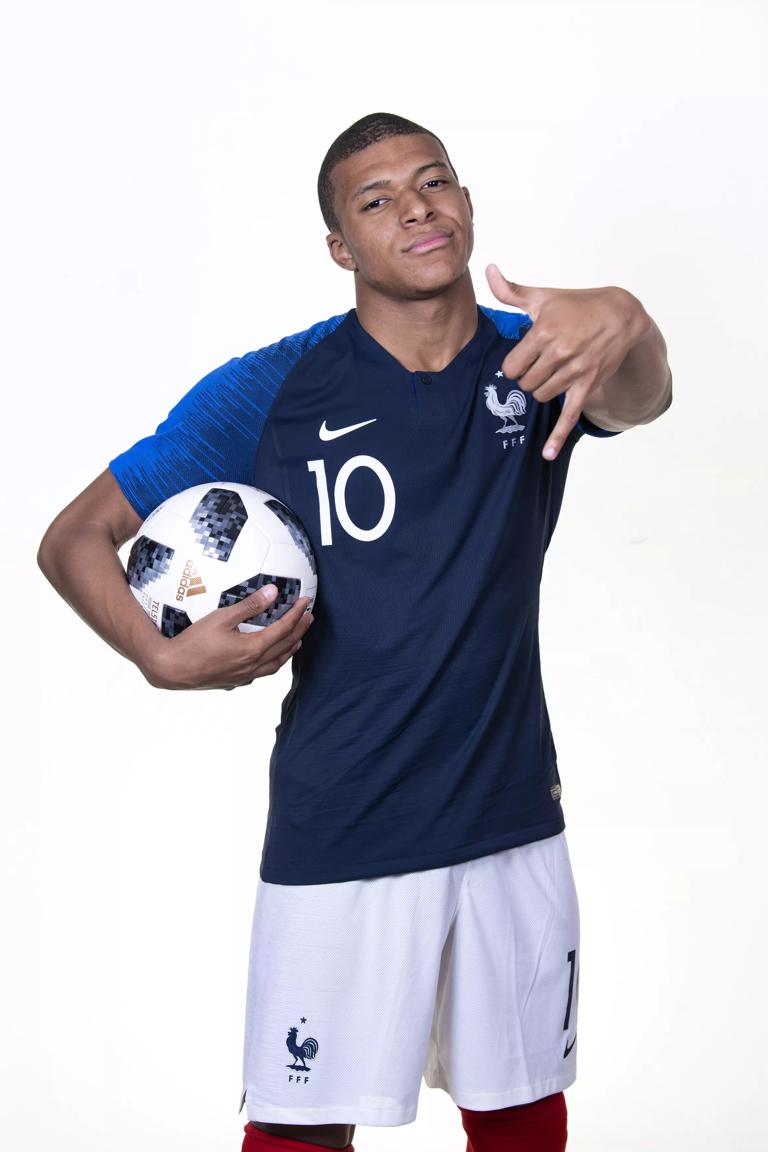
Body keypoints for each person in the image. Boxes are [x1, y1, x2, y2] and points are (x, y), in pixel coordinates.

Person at [38, 112, 673, 1152]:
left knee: (521, 1120)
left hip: (510, 815)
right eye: (377, 201)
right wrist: (157, 653)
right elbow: (76, 538)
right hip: (345, 824)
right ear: (342, 248)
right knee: (302, 1128)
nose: (417, 208)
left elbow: (642, 400)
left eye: (436, 182)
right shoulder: (271, 391)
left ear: (465, 203)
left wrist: (630, 322)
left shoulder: (535, 357)